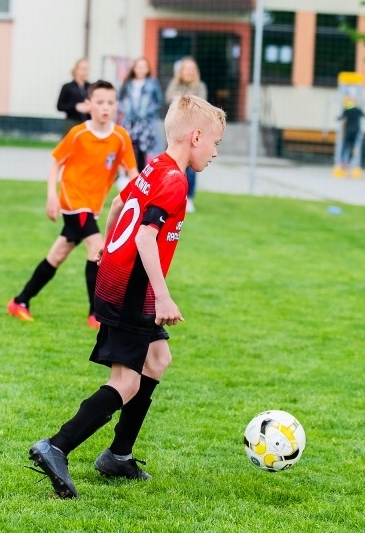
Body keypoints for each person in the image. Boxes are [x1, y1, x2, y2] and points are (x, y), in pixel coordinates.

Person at [27, 94, 226, 500]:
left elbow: (119, 202)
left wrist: (106, 249)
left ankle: (118, 454)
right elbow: (147, 236)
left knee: (158, 358)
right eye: (216, 143)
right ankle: (57, 446)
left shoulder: (156, 166)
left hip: (120, 281)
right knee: (126, 383)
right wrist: (164, 296)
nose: (216, 152)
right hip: (132, 291)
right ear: (196, 136)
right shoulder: (174, 180)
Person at [7, 80, 139, 328]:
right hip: (73, 202)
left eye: (110, 103)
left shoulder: (120, 137)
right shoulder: (78, 133)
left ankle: (20, 301)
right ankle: (96, 314)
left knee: (57, 255)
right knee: (97, 248)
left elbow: (133, 171)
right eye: (100, 102)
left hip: (93, 206)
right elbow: (56, 162)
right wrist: (51, 195)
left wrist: (140, 201)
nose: (105, 108)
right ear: (88, 104)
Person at [165, 57, 207, 213]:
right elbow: (169, 98)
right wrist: (189, 98)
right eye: (186, 69)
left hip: (193, 132)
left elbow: (201, 104)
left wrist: (181, 98)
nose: (189, 72)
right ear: (181, 71)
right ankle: (172, 195)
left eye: (191, 69)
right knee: (173, 164)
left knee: (191, 166)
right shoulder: (174, 84)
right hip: (176, 132)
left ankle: (189, 198)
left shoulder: (201, 86)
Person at [119, 57, 163, 173]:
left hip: (145, 122)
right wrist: (124, 109)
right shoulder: (127, 83)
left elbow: (159, 102)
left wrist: (148, 111)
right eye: (138, 66)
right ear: (134, 68)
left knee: (142, 150)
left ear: (147, 69)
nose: (140, 69)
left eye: (144, 67)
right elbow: (119, 99)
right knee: (130, 148)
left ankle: (140, 175)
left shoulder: (152, 83)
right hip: (129, 121)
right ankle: (129, 174)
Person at [337, 97, 365, 170]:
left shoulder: (347, 110)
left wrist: (338, 118)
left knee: (345, 146)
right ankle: (348, 161)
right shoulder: (357, 110)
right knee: (352, 147)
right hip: (356, 131)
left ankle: (342, 161)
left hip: (348, 131)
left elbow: (340, 117)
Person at [56, 58, 91, 132]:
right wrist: (75, 107)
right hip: (72, 122)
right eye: (83, 69)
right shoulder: (67, 87)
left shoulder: (90, 87)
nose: (86, 72)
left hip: (87, 122)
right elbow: (60, 106)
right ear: (76, 70)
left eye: (87, 69)